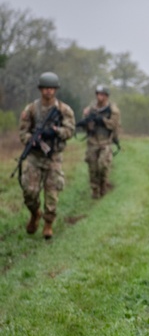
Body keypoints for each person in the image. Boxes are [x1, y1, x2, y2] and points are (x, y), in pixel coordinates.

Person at [18, 72, 77, 239]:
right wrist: (32, 140)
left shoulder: (64, 110)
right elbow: (23, 132)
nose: (48, 92)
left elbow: (70, 130)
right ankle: (35, 213)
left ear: (56, 90)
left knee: (52, 193)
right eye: (45, 88)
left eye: (51, 88)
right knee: (30, 192)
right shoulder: (31, 109)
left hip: (53, 157)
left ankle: (48, 223)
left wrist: (55, 131)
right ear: (40, 89)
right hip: (35, 156)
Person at [80, 84, 122, 198]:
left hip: (105, 142)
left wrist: (102, 120)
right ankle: (94, 189)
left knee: (103, 165)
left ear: (107, 96)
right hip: (92, 141)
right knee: (92, 167)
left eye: (103, 94)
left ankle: (103, 185)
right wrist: (86, 121)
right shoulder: (90, 109)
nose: (100, 97)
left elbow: (114, 125)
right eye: (98, 94)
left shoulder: (113, 110)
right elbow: (85, 124)